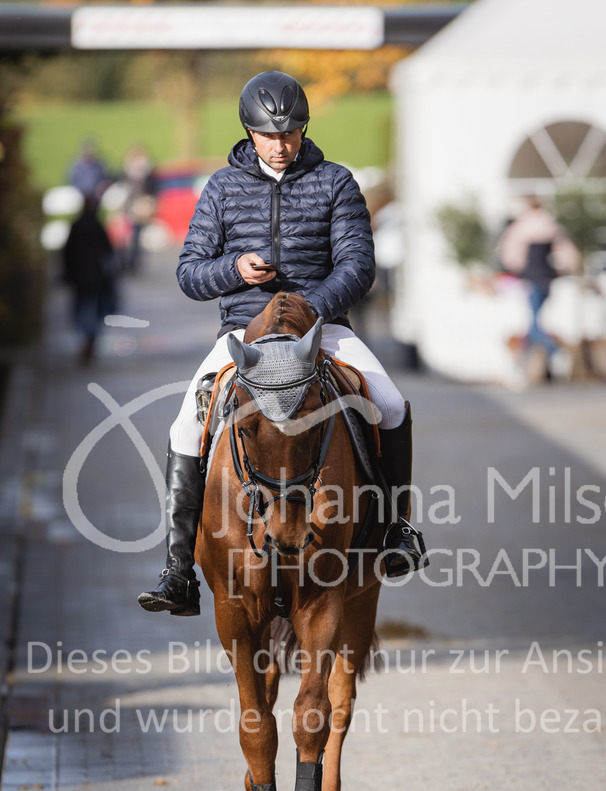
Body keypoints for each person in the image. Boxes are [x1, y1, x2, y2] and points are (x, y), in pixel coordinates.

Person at [138, 71, 426, 617]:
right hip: (243, 332)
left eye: (292, 132)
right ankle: (178, 569)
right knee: (184, 424)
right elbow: (188, 273)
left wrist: (308, 309)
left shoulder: (336, 182)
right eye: (272, 135)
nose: (283, 144)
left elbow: (358, 266)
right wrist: (235, 269)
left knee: (389, 404)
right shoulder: (221, 188)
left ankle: (396, 530)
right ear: (250, 132)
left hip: (323, 328)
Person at [498, 198, 577, 370]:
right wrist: (561, 268)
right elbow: (566, 252)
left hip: (531, 278)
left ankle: (554, 352)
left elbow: (509, 252)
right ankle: (532, 362)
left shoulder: (521, 226)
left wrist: (517, 267)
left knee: (534, 323)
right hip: (547, 278)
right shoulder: (551, 225)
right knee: (534, 320)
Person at [62, 196, 118, 364]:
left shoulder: (77, 226)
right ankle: (89, 340)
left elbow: (67, 253)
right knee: (91, 310)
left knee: (82, 310)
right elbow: (108, 253)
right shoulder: (97, 227)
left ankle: (86, 340)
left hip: (80, 278)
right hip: (95, 277)